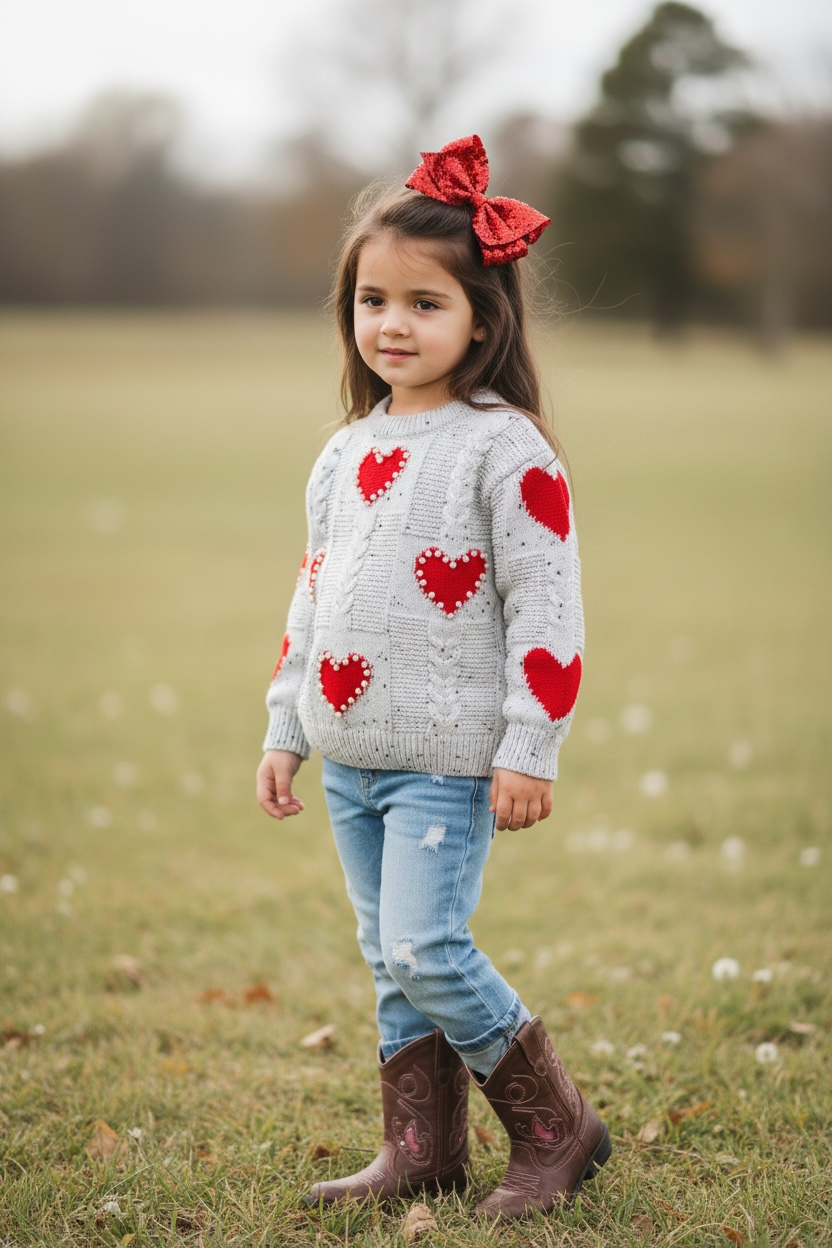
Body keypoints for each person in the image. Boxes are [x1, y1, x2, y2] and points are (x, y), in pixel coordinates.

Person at [256, 134, 610, 1223]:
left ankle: (556, 1127)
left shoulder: (505, 451)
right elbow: (314, 597)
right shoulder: (344, 452)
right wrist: (286, 727)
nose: (392, 324)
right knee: (387, 959)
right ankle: (421, 1149)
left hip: (447, 761)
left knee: (426, 945)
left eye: (423, 302)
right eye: (372, 301)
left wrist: (527, 746)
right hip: (353, 755)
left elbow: (545, 610)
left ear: (481, 319)